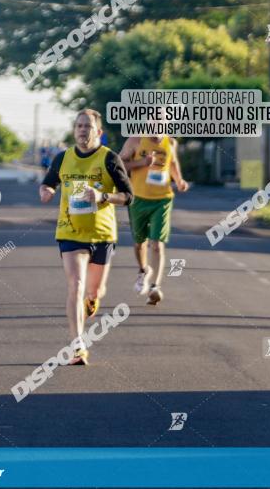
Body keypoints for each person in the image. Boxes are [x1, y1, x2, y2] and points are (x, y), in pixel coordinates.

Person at [39, 110, 133, 365]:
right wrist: (46, 190)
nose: (82, 130)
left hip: (102, 233)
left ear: (98, 132)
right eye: (79, 125)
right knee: (75, 285)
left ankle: (92, 300)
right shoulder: (62, 158)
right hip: (70, 232)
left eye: (88, 126)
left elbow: (128, 196)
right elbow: (48, 183)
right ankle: (77, 344)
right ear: (74, 130)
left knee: (93, 290)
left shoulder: (109, 159)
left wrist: (103, 197)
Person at [119, 131, 189, 305]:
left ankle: (154, 287)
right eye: (153, 120)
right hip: (138, 199)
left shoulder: (170, 142)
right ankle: (143, 270)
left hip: (162, 199)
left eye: (161, 121)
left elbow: (173, 163)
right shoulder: (135, 141)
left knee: (157, 244)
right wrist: (141, 162)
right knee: (139, 243)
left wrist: (179, 180)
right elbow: (119, 164)